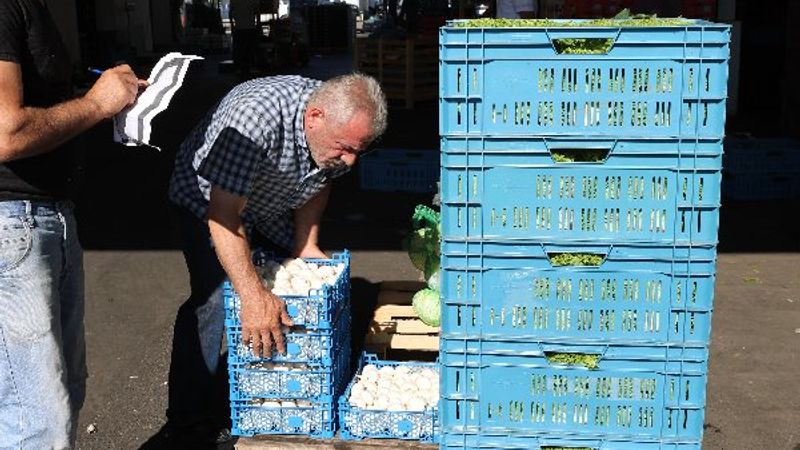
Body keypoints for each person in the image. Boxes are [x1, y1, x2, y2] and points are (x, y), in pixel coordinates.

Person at [164, 73, 387, 446]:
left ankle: (289, 387)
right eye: (344, 147)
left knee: (294, 279)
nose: (350, 161)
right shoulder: (254, 118)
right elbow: (223, 216)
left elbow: (320, 178)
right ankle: (188, 418)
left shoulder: (328, 127)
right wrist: (252, 294)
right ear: (314, 117)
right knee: (216, 299)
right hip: (207, 204)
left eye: (358, 151)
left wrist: (306, 244)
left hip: (268, 203)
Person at [0, 0, 147, 448]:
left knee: (61, 393)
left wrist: (102, 93)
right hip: (13, 225)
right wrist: (95, 103)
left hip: (48, 220)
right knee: (35, 416)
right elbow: (5, 133)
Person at [229, 0, 260, 75]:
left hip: (239, 27)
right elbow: (257, 11)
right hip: (250, 26)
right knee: (249, 48)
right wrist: (258, 23)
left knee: (239, 48)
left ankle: (239, 68)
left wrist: (232, 24)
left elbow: (230, 12)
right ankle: (250, 67)